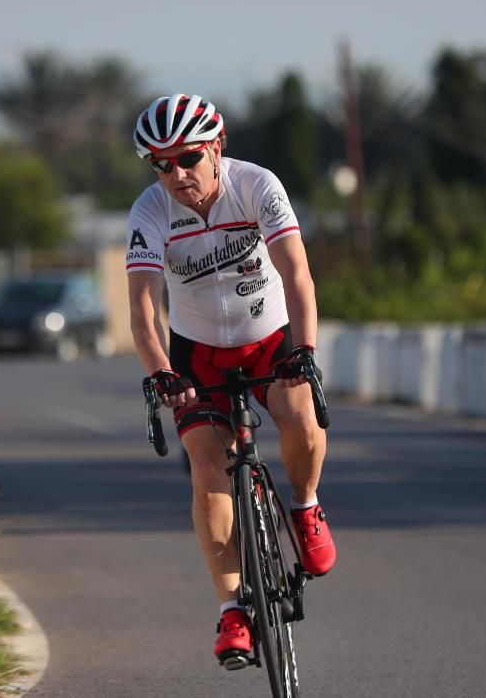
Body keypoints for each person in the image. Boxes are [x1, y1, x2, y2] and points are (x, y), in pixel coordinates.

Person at [126, 93, 336, 669]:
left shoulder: (257, 186)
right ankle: (232, 610)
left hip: (268, 337)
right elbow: (144, 315)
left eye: (189, 157)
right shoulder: (150, 213)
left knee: (301, 420)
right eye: (161, 164)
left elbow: (296, 272)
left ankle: (306, 506)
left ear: (217, 147)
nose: (178, 174)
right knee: (206, 470)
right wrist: (162, 376)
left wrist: (304, 350)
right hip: (197, 358)